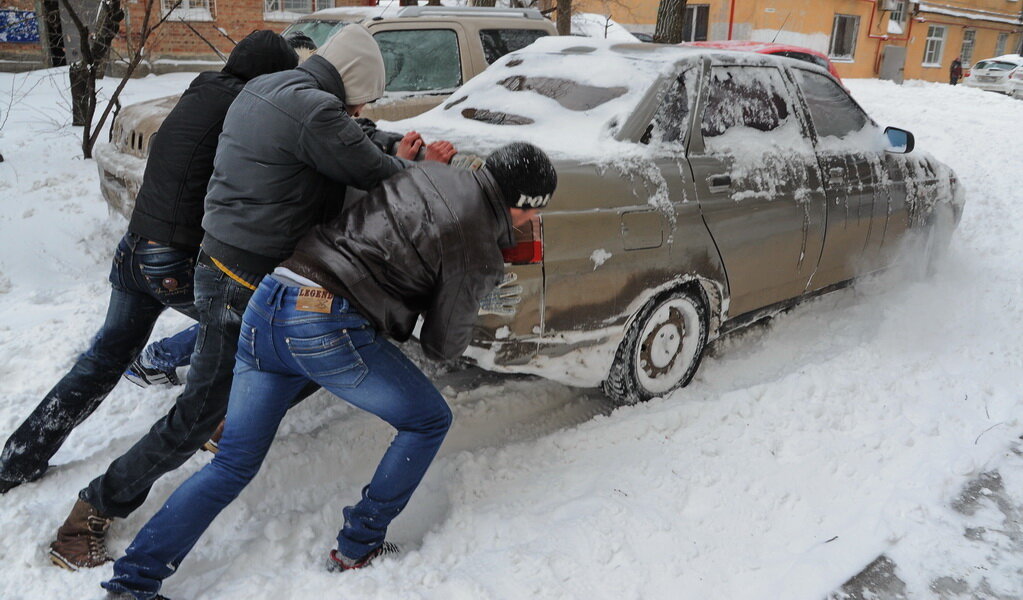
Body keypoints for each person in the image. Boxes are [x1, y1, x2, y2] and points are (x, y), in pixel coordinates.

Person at [45, 22, 454, 572]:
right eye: (362, 100)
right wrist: (419, 167)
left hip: (225, 267)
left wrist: (379, 140)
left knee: (309, 362)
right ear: (352, 82)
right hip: (243, 284)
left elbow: (345, 141)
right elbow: (380, 174)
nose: (360, 110)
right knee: (194, 416)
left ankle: (232, 420)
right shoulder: (318, 112)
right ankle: (92, 511)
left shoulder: (274, 88)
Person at [101, 142, 558, 600]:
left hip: (272, 298)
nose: (533, 223)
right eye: (535, 214)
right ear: (525, 206)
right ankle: (358, 545)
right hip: (325, 320)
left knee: (230, 465)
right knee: (428, 419)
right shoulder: (479, 245)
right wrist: (476, 291)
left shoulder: (429, 173)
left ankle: (132, 581)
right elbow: (442, 346)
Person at [0, 31, 299, 495]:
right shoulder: (246, 110)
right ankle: (220, 433)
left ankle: (19, 460)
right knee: (260, 333)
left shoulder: (197, 94)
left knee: (102, 359)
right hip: (174, 259)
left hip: (135, 249)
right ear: (268, 78)